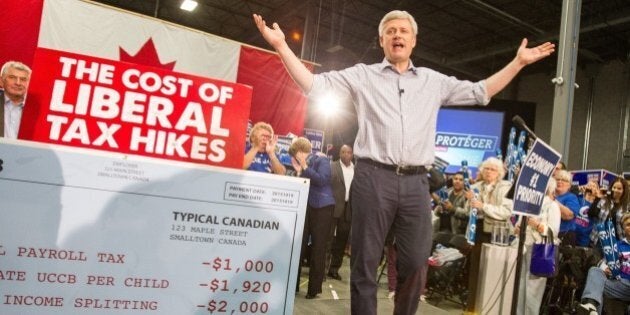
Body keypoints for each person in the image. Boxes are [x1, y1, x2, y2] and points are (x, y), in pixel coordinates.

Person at [253, 9, 554, 314]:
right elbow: (313, 85)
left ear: (413, 41)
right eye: (391, 31)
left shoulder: (432, 81)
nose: (397, 35)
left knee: (415, 264)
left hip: (415, 184)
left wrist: (518, 62)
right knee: (365, 264)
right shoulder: (362, 75)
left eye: (403, 31)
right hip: (373, 177)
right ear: (382, 40)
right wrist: (281, 46)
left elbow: (480, 92)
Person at [464, 157, 513, 312]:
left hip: (496, 234)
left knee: (490, 272)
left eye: (492, 169)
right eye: (486, 169)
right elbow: (467, 211)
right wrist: (469, 201)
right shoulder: (476, 186)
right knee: (475, 271)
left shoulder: (505, 187)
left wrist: (483, 206)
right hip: (476, 231)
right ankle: (472, 308)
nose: (489, 172)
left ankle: (488, 309)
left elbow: (506, 212)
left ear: (499, 173)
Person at [289, 137, 335, 299]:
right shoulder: (301, 164)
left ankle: (313, 289)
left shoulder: (321, 160)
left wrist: (305, 167)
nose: (294, 158)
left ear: (301, 152)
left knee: (318, 248)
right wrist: (299, 172)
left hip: (322, 207)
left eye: (295, 155)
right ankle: (292, 285)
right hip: (305, 206)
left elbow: (322, 180)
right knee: (298, 247)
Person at [514, 178, 561, 315]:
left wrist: (538, 225)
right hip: (522, 247)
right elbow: (517, 225)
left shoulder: (552, 206)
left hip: (539, 250)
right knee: (519, 287)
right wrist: (517, 228)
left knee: (533, 291)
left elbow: (554, 232)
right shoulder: (527, 204)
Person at [577, 213, 630, 315]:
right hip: (619, 284)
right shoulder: (617, 245)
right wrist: (605, 268)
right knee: (595, 272)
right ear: (623, 228)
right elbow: (603, 263)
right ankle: (591, 307)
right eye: (628, 225)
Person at [327, 144, 354, 281]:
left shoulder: (356, 170)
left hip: (348, 209)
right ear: (339, 153)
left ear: (352, 154)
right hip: (333, 206)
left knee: (341, 242)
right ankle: (323, 269)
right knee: (328, 239)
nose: (345, 154)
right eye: (342, 151)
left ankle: (334, 269)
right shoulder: (332, 166)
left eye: (348, 152)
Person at [589, 177, 630, 242]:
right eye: (614, 187)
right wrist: (597, 198)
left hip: (618, 241)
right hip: (598, 239)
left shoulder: (627, 206)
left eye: (619, 188)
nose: (615, 190)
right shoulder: (604, 200)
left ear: (624, 191)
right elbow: (591, 214)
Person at [1, 61, 31, 139]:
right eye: (12, 77)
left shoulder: (36, 109)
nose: (18, 83)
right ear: (1, 81)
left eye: (23, 79)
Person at [554, 170, 580, 246]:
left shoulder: (572, 197)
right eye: (557, 179)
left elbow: (568, 215)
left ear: (569, 185)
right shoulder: (549, 195)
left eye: (564, 180)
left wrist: (553, 200)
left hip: (565, 235)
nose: (560, 182)